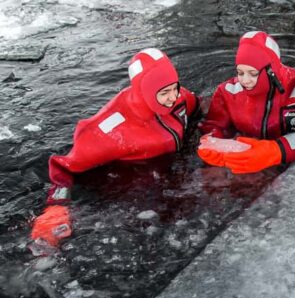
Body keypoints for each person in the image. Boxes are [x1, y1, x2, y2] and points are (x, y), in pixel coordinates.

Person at [30, 48, 201, 249]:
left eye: (175, 88)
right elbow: (64, 166)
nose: (173, 97)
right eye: (164, 93)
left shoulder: (180, 98)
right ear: (145, 91)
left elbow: (198, 108)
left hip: (172, 172)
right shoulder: (109, 130)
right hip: (133, 189)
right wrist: (56, 207)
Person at [197, 31, 295, 174]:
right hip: (247, 160)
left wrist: (276, 150)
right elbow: (213, 126)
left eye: (253, 74)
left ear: (271, 70)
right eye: (240, 72)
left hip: (285, 158)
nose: (245, 80)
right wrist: (212, 142)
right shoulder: (227, 92)